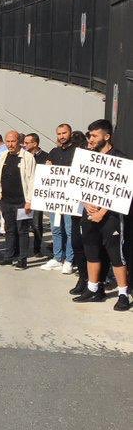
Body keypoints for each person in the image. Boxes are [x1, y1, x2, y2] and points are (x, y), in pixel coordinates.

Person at [73, 119, 130, 311]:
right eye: (89, 135)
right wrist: (86, 203)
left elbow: (122, 190)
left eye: (94, 135)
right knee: (91, 251)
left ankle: (123, 294)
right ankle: (93, 289)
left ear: (106, 136)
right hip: (89, 214)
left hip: (111, 217)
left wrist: (102, 211)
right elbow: (78, 184)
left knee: (116, 256)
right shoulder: (87, 157)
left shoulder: (120, 158)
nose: (90, 139)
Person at [0, 130, 36, 270]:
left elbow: (32, 180)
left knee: (22, 231)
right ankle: (9, 257)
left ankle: (22, 260)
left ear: (19, 142)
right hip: (6, 201)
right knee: (9, 230)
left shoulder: (27, 157)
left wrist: (29, 200)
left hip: (22, 202)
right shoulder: (3, 156)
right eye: (8, 141)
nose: (10, 144)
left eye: (13, 141)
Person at [42, 123, 76, 274]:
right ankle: (57, 258)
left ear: (70, 133)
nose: (62, 136)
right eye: (59, 134)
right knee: (56, 229)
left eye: (64, 133)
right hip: (55, 199)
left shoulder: (78, 152)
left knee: (69, 230)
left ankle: (69, 260)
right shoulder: (54, 152)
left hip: (70, 199)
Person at [68, 130, 89, 295]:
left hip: (90, 210)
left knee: (91, 247)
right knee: (76, 244)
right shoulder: (68, 156)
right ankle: (83, 278)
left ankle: (94, 281)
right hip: (75, 208)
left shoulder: (92, 157)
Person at [23, 132, 49, 258]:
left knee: (36, 224)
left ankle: (37, 249)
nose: (24, 145)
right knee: (22, 223)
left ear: (35, 143)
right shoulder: (23, 156)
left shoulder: (46, 157)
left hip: (38, 195)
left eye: (27, 143)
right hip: (24, 194)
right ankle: (22, 249)